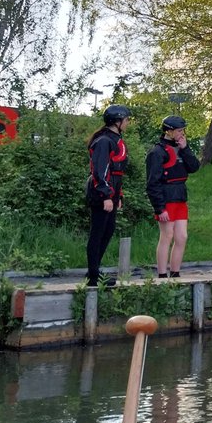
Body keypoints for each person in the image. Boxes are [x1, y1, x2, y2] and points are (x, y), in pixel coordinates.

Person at [146, 115, 200, 278]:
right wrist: (159, 208)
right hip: (166, 197)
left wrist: (186, 148)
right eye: (179, 131)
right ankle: (162, 275)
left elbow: (194, 167)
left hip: (180, 197)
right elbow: (152, 183)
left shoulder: (182, 147)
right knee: (167, 235)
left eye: (183, 130)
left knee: (182, 236)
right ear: (168, 131)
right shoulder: (157, 152)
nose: (182, 133)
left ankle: (175, 273)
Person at [84, 104, 131, 287]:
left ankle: (94, 271)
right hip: (101, 192)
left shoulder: (115, 138)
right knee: (97, 233)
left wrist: (117, 196)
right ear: (117, 121)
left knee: (108, 231)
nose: (127, 123)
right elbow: (100, 170)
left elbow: (117, 173)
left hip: (112, 192)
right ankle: (93, 276)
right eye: (126, 120)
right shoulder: (104, 140)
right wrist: (106, 196)